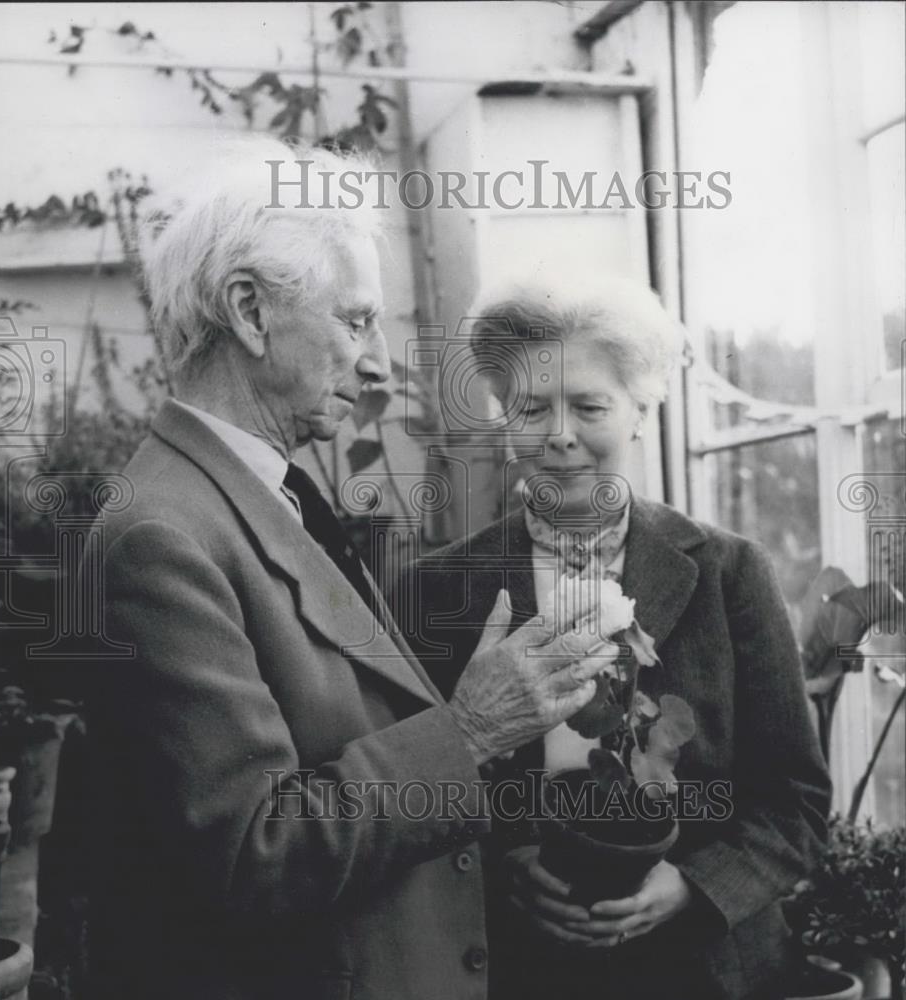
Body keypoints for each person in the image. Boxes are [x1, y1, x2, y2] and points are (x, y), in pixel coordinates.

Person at [84, 139, 606, 1000]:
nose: (378, 363)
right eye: (356, 320)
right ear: (248, 311)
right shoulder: (160, 534)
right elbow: (257, 849)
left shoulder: (264, 494)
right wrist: (469, 731)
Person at [397, 277, 832, 1000]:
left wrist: (693, 888)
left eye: (590, 405)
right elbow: (409, 795)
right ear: (506, 423)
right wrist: (503, 865)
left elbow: (796, 800)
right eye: (532, 408)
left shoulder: (729, 574)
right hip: (516, 969)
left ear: (640, 411)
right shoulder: (436, 590)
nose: (560, 433)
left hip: (709, 970)